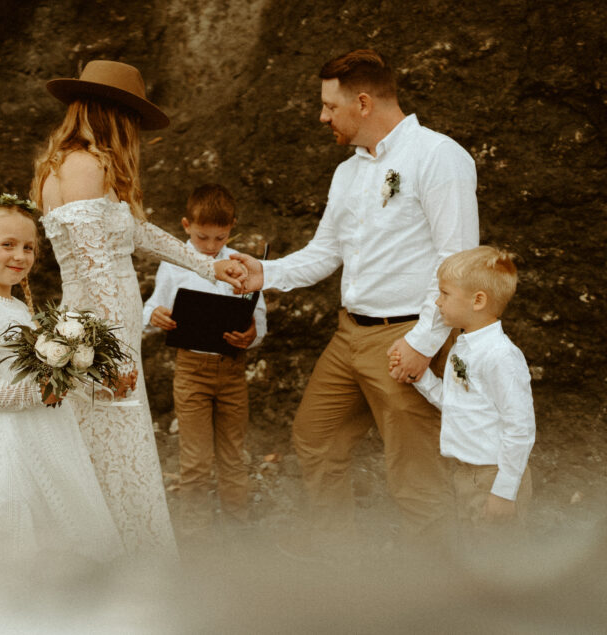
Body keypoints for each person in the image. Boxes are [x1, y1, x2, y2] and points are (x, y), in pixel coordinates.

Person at [230, 49, 479, 546]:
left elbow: (459, 262)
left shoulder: (438, 156)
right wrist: (266, 273)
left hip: (408, 335)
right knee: (315, 438)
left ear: (363, 103)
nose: (322, 117)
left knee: (415, 475)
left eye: (329, 106)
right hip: (349, 337)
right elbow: (326, 251)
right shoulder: (348, 172)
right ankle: (340, 565)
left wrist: (425, 342)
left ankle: (444, 591)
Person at [32, 60, 246, 558]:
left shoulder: (81, 164)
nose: (134, 133)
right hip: (100, 334)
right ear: (115, 115)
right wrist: (116, 355)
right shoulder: (84, 165)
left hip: (103, 328)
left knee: (109, 444)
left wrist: (208, 267)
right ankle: (122, 561)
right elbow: (94, 266)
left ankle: (110, 557)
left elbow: (139, 232)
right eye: (131, 120)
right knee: (111, 446)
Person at [0, 194, 123, 566]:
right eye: (8, 245)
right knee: (22, 533)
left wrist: (92, 381)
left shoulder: (16, 307)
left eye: (28, 247)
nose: (20, 256)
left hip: (44, 431)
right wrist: (37, 393)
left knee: (65, 521)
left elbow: (41, 372)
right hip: (7, 439)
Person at [142, 183, 267, 534]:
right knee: (196, 460)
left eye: (219, 238)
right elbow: (153, 305)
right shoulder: (174, 264)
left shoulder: (241, 264)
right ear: (185, 225)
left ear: (232, 229)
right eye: (202, 238)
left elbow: (259, 318)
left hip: (231, 369)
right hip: (191, 370)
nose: (211, 247)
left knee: (233, 455)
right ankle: (194, 533)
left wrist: (252, 334)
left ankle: (237, 529)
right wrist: (155, 316)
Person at [390, 246, 535, 540]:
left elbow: (520, 428)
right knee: (476, 549)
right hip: (466, 473)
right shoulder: (463, 346)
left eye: (445, 294)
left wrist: (504, 492)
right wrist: (420, 377)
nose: (437, 301)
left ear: (478, 300)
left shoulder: (501, 356)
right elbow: (457, 404)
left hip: (493, 475)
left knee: (501, 557)